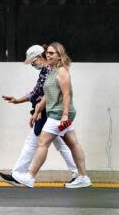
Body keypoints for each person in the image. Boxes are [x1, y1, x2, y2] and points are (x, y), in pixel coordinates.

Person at [12, 42, 92, 189]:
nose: (48, 55)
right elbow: (47, 96)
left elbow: (67, 94)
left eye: (52, 53)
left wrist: (65, 115)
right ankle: (82, 177)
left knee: (42, 143)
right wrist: (36, 111)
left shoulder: (62, 71)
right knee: (73, 144)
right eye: (47, 53)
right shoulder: (51, 71)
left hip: (59, 113)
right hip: (55, 112)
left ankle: (30, 176)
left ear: (59, 55)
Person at [0, 44, 79, 186]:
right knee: (62, 144)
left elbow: (43, 94)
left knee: (34, 142)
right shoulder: (46, 71)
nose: (32, 65)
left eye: (33, 62)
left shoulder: (50, 70)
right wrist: (19, 101)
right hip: (49, 112)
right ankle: (78, 173)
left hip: (49, 112)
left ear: (38, 57)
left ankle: (19, 174)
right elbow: (37, 92)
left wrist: (37, 112)